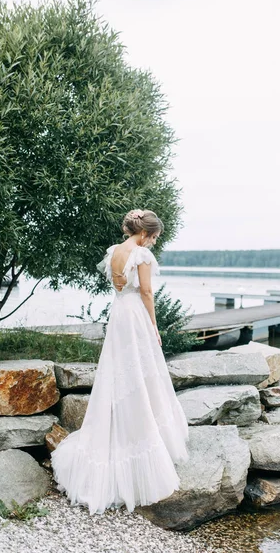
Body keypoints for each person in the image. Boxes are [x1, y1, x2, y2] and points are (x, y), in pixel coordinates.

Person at [50, 208, 190, 515]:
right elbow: (147, 293)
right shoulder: (141, 255)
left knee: (121, 375)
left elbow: (119, 289)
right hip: (137, 316)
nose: (153, 243)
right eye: (154, 238)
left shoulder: (115, 252)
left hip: (119, 316)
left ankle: (124, 428)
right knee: (142, 373)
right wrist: (154, 326)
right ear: (145, 234)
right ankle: (143, 437)